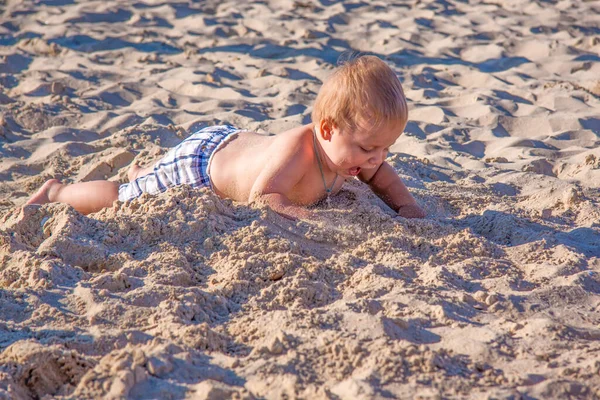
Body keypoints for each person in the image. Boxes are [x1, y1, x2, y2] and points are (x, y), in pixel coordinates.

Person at [27, 55, 426, 219]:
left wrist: (407, 210)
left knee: (146, 178)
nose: (376, 159)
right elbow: (265, 196)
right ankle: (58, 193)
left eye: (385, 149)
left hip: (233, 144)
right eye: (369, 148)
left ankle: (143, 170)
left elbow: (385, 181)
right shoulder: (299, 149)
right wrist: (307, 219)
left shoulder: (357, 155)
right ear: (327, 130)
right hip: (200, 169)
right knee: (125, 198)